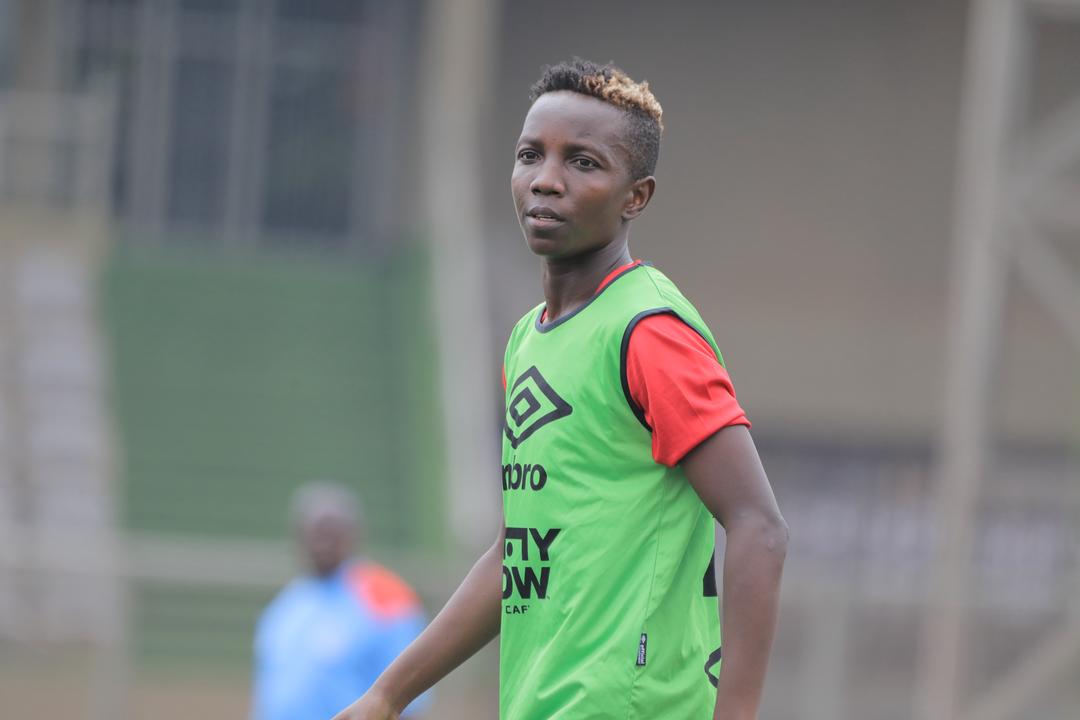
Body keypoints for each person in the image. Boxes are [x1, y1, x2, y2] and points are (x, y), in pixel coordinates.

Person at [335, 58, 788, 720]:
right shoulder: (528, 339)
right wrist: (387, 694)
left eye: (583, 162)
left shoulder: (649, 331)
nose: (545, 180)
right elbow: (516, 553)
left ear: (635, 196)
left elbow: (758, 525)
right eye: (530, 155)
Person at [252, 482, 429, 720]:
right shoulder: (285, 606)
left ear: (354, 534)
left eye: (330, 533)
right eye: (313, 533)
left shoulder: (386, 598)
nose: (321, 543)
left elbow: (410, 701)